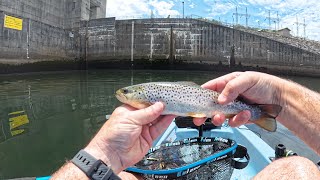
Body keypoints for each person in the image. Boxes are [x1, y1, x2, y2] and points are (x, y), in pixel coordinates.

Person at [51, 71, 320, 180]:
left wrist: (103, 153)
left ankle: (260, 112)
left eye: (127, 93)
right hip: (204, 108)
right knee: (298, 168)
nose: (122, 95)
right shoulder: (149, 94)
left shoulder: (148, 93)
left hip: (210, 106)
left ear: (141, 94)